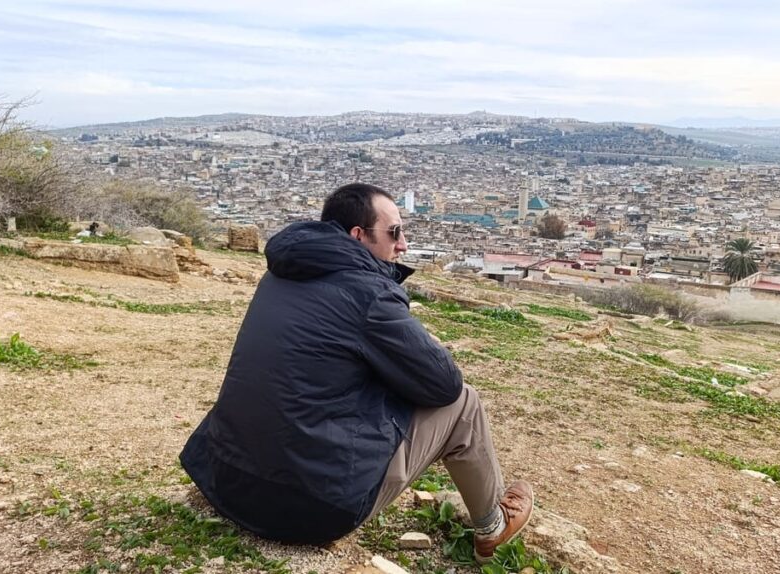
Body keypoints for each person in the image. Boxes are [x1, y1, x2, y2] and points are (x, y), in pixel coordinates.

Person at [180, 183, 533, 562]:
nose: (404, 245)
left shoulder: (282, 272)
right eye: (394, 232)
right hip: (309, 510)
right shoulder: (368, 293)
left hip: (226, 480)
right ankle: (492, 527)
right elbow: (444, 385)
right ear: (358, 236)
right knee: (464, 403)